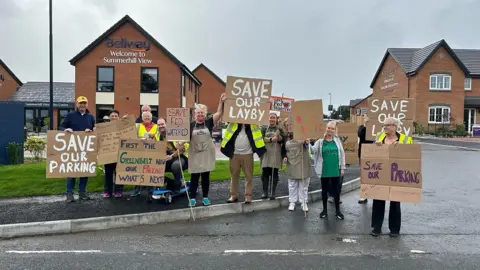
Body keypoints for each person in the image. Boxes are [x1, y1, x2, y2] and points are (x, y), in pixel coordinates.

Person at [371, 117, 413, 238]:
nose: (384, 127)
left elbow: (412, 156)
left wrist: (402, 148)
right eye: (384, 125)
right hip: (381, 173)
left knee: (395, 201)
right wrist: (376, 147)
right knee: (378, 200)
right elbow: (371, 154)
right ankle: (377, 227)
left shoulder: (406, 139)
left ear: (395, 126)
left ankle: (394, 229)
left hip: (397, 174)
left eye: (387, 125)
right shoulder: (379, 137)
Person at [188, 94, 226, 207]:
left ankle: (205, 197)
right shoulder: (190, 125)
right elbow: (184, 138)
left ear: (205, 114)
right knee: (194, 176)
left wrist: (221, 101)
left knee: (205, 176)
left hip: (206, 153)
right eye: (198, 113)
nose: (200, 114)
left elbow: (219, 113)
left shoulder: (209, 122)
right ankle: (192, 198)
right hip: (194, 153)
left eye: (202, 113)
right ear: (195, 114)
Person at [60, 96, 96, 202]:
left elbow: (94, 129)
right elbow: (61, 127)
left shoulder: (90, 117)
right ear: (77, 104)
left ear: (87, 104)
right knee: (72, 172)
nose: (82, 105)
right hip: (72, 148)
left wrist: (91, 130)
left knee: (84, 171)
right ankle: (69, 194)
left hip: (85, 148)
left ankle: (82, 193)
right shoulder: (70, 115)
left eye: (84, 103)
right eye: (81, 103)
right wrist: (66, 129)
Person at [221, 122, 266, 204]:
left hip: (248, 154)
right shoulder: (233, 124)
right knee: (234, 175)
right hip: (234, 154)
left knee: (249, 176)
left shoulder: (253, 125)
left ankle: (248, 196)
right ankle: (233, 195)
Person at [312, 121, 346, 220]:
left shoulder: (337, 140)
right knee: (324, 191)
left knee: (336, 191)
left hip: (336, 169)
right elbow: (312, 151)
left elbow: (342, 154)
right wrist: (307, 144)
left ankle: (338, 211)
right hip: (324, 170)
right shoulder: (320, 141)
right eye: (329, 128)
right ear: (325, 128)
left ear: (335, 130)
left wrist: (342, 167)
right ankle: (324, 210)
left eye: (332, 128)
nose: (330, 130)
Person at [131, 111, 159, 197]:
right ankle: (137, 188)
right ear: (142, 118)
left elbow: (159, 139)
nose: (147, 118)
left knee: (152, 171)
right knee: (138, 170)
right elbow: (131, 136)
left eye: (148, 117)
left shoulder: (157, 127)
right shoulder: (137, 126)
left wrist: (153, 137)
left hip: (153, 152)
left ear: (151, 118)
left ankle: (152, 189)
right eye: (145, 116)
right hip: (140, 152)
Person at [283, 126, 311, 211]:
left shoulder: (303, 136)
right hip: (291, 163)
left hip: (303, 163)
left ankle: (303, 202)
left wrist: (307, 142)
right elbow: (283, 149)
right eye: (290, 128)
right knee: (292, 184)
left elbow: (307, 145)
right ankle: (292, 202)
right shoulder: (285, 138)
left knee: (303, 185)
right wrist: (284, 156)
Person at [103, 109, 127, 198]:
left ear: (118, 117)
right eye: (112, 116)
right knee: (108, 174)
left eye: (115, 116)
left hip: (120, 154)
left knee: (119, 173)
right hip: (108, 154)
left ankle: (118, 191)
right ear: (109, 117)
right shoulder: (104, 127)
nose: (114, 117)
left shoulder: (122, 127)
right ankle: (107, 191)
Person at [261, 113, 285, 200]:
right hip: (266, 153)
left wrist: (278, 137)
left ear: (276, 119)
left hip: (276, 153)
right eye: (271, 118)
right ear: (268, 119)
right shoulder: (264, 128)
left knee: (274, 173)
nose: (272, 119)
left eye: (273, 118)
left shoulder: (279, 129)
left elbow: (283, 139)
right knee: (265, 173)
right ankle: (265, 192)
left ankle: (273, 193)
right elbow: (261, 138)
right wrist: (271, 139)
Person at [358, 114, 374, 204]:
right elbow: (361, 135)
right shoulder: (361, 128)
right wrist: (365, 125)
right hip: (364, 155)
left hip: (376, 154)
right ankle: (364, 195)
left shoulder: (376, 128)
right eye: (365, 117)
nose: (366, 118)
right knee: (364, 176)